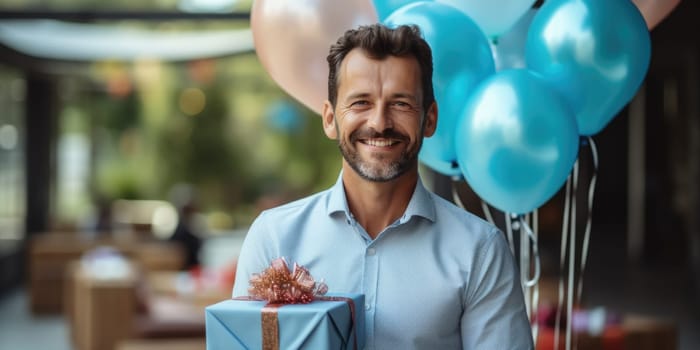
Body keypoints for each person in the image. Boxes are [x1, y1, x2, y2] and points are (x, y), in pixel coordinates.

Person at [233, 23, 534, 349]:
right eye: (361, 102)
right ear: (330, 119)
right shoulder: (274, 237)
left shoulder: (480, 250)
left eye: (401, 103)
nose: (379, 122)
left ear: (429, 119)